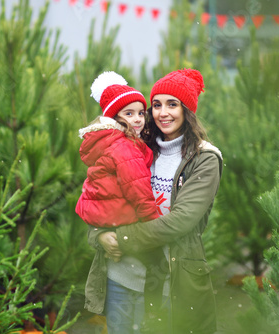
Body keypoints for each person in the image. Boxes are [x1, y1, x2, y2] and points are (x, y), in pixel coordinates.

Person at [84, 69, 223, 334]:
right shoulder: (133, 147)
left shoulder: (204, 159)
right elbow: (97, 196)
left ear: (187, 111)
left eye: (173, 104)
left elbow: (180, 221)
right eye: (156, 105)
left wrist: (122, 238)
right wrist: (99, 234)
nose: (163, 113)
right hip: (121, 275)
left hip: (171, 280)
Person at [76, 71, 170, 333]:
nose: (138, 119)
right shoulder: (126, 146)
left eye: (141, 112)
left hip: (106, 215)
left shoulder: (112, 140)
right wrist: (153, 226)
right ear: (114, 117)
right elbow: (139, 190)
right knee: (156, 264)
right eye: (129, 114)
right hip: (123, 230)